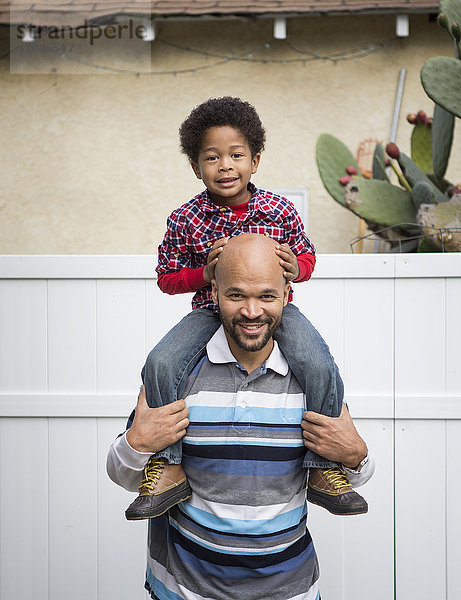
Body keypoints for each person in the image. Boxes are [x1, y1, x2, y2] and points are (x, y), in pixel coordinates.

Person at [125, 96, 367, 521]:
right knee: (160, 362)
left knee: (319, 363)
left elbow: (306, 260)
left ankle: (324, 468)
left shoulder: (278, 210)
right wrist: (204, 275)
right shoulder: (186, 218)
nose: (225, 166)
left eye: (236, 155)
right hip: (209, 311)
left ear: (255, 160)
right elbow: (166, 278)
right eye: (212, 157)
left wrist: (297, 266)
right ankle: (169, 465)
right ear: (195, 165)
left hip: (280, 311)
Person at [107, 234, 374, 600]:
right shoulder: (178, 375)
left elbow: (353, 475)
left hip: (290, 591)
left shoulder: (311, 380)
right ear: (214, 292)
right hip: (182, 591)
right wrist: (136, 445)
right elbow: (125, 476)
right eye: (236, 295)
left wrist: (357, 455)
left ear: (286, 293)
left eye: (266, 295)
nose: (252, 312)